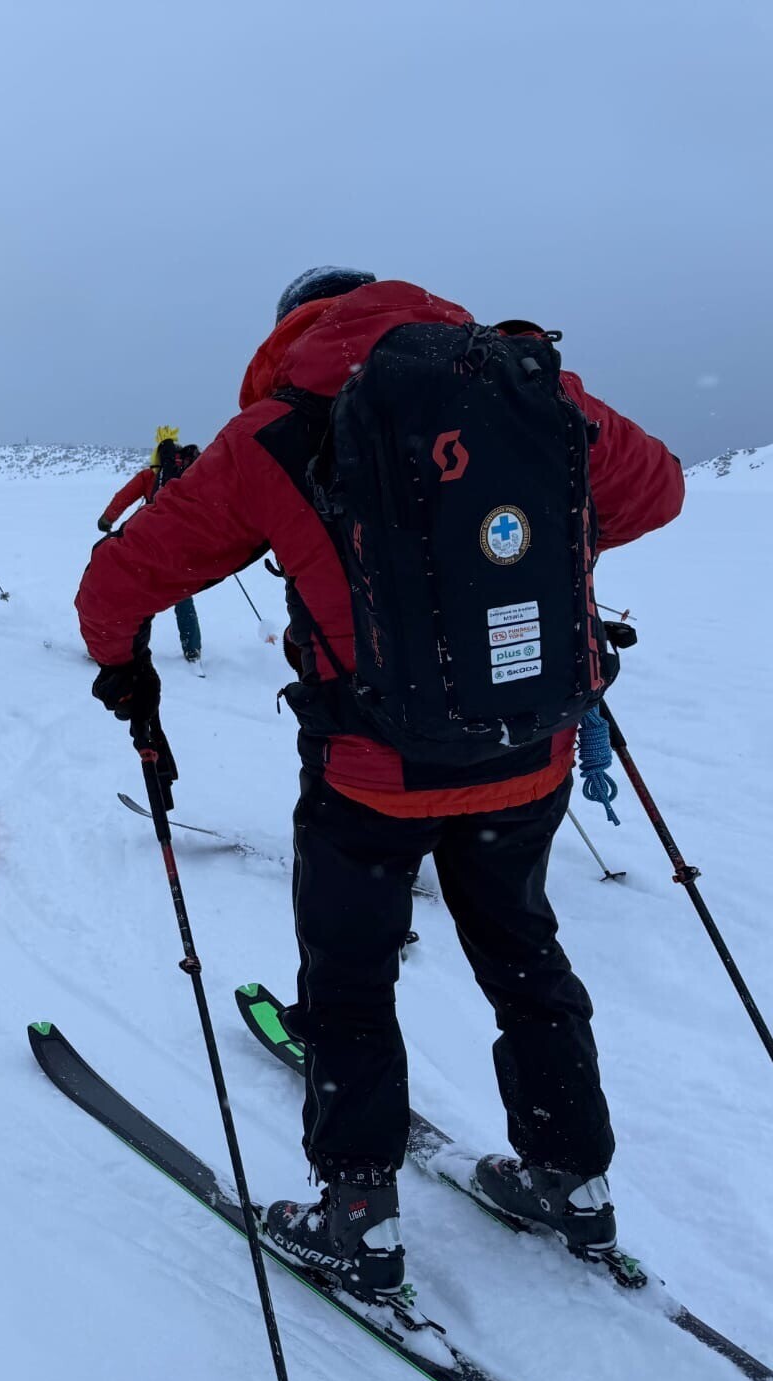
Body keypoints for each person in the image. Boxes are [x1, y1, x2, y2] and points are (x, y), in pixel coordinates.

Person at [76, 269, 685, 1300]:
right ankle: (568, 1177)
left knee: (350, 982)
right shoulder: (529, 390)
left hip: (372, 774)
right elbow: (655, 490)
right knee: (522, 956)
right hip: (522, 749)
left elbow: (119, 579)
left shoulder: (276, 433)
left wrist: (121, 667)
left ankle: (356, 1213)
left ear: (288, 331)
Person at [99, 429, 204, 663]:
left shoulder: (150, 477)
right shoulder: (188, 475)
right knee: (181, 595)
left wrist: (107, 520)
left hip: (150, 544)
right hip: (183, 545)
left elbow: (123, 497)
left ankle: (118, 645)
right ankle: (192, 647)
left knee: (133, 593)